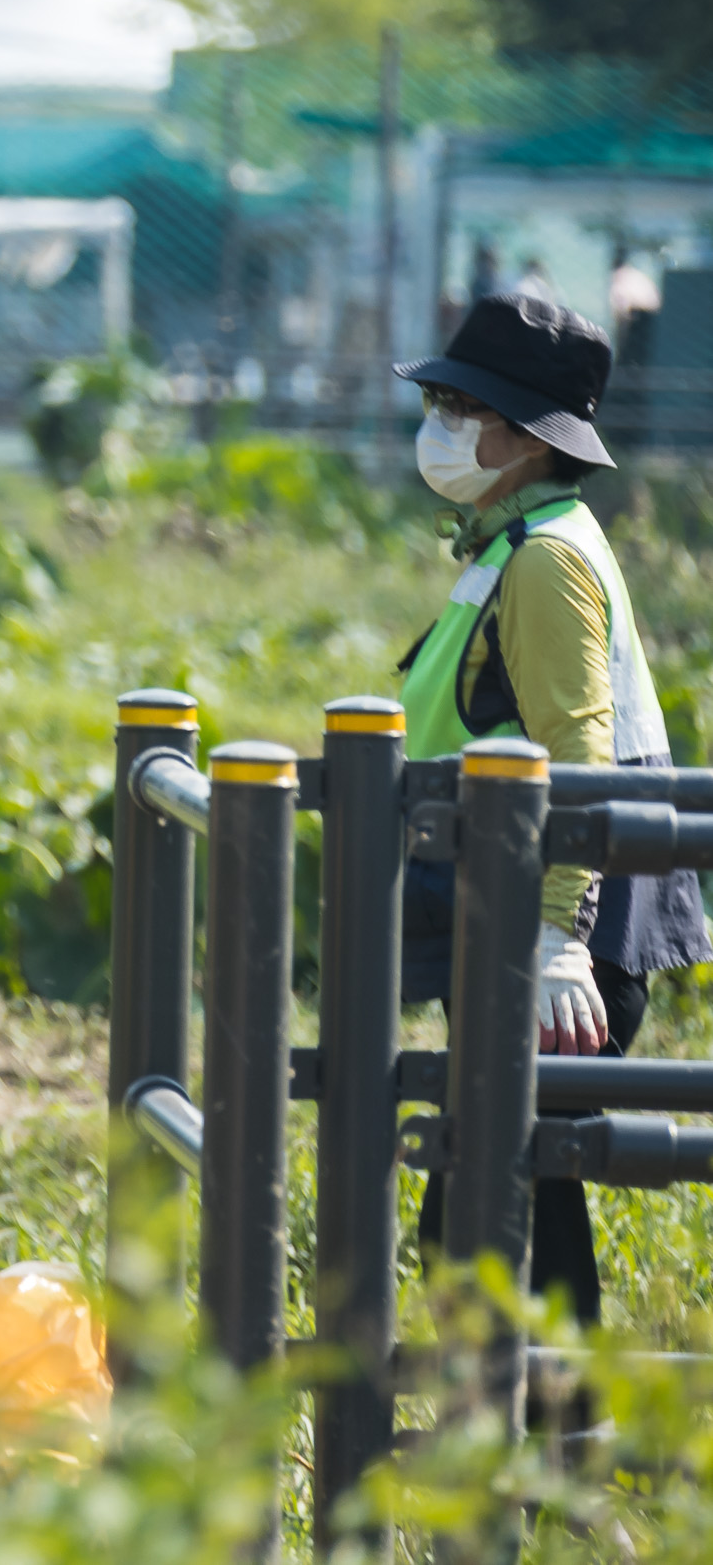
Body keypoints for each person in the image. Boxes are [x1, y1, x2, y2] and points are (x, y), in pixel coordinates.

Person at [392, 293, 710, 1333]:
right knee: (511, 1189)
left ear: (526, 438)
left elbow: (576, 751)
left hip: (559, 921)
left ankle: (533, 1446)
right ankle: (553, 1448)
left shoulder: (544, 560)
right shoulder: (516, 539)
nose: (436, 424)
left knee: (488, 1200)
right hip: (517, 907)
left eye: (455, 406)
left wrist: (554, 937)